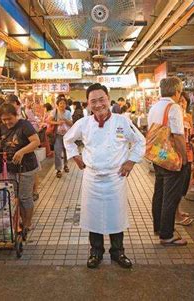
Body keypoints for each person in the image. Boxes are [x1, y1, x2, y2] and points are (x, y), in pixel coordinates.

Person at [64, 83, 145, 269]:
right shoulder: (83, 123)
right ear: (88, 103)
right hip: (92, 178)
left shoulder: (122, 121)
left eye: (102, 99)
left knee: (116, 216)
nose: (98, 104)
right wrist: (75, 156)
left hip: (115, 178)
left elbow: (140, 141)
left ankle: (118, 252)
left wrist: (131, 161)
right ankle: (96, 252)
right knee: (93, 218)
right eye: (93, 101)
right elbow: (67, 139)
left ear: (108, 99)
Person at [148, 77, 189, 246]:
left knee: (159, 192)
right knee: (170, 196)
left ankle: (159, 227)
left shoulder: (155, 107)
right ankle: (167, 235)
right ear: (177, 91)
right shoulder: (174, 107)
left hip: (158, 156)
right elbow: (178, 135)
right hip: (171, 158)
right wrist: (184, 158)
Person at [0, 103, 41, 235]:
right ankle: (19, 221)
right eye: (4, 119)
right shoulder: (1, 127)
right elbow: (0, 144)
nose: (7, 122)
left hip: (26, 167)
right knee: (14, 197)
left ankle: (28, 224)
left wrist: (22, 152)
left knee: (25, 197)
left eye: (9, 118)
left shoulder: (24, 125)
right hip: (10, 167)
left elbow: (36, 141)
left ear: (16, 115)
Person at [175, 92, 194, 226]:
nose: (182, 103)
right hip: (178, 155)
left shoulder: (188, 116)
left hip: (188, 153)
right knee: (177, 185)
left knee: (184, 185)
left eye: (185, 101)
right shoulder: (175, 117)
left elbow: (190, 134)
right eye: (180, 101)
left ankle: (178, 210)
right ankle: (176, 215)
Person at [48, 98, 73, 178]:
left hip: (67, 135)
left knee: (66, 152)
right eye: (60, 103)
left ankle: (65, 165)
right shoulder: (54, 112)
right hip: (57, 135)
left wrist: (65, 119)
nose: (62, 105)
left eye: (64, 103)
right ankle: (58, 169)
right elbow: (49, 121)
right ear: (57, 104)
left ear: (66, 105)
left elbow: (71, 124)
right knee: (57, 152)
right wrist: (57, 122)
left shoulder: (68, 112)